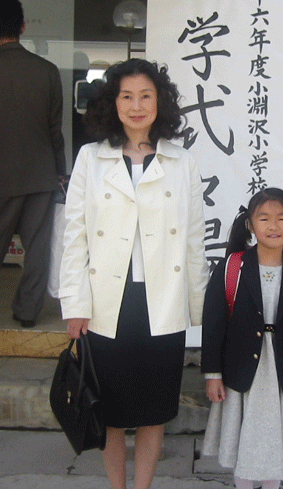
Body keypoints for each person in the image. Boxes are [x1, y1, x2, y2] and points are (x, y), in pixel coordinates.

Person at [59, 58, 209, 489]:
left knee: (153, 410)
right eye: (127, 96)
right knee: (107, 408)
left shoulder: (181, 161)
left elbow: (194, 241)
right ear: (113, 102)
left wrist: (200, 310)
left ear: (160, 102)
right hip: (107, 303)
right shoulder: (91, 158)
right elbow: (75, 236)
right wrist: (74, 303)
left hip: (163, 301)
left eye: (146, 96)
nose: (137, 106)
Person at [201, 188, 283, 489]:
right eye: (264, 218)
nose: (273, 226)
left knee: (275, 440)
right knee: (243, 439)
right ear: (250, 225)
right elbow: (214, 324)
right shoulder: (232, 267)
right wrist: (212, 374)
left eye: (282, 218)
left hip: (281, 370)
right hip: (241, 369)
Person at [0, 0, 66, 328]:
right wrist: (60, 171)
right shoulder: (47, 71)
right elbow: (55, 129)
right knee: (38, 248)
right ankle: (27, 313)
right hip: (41, 174)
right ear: (23, 27)